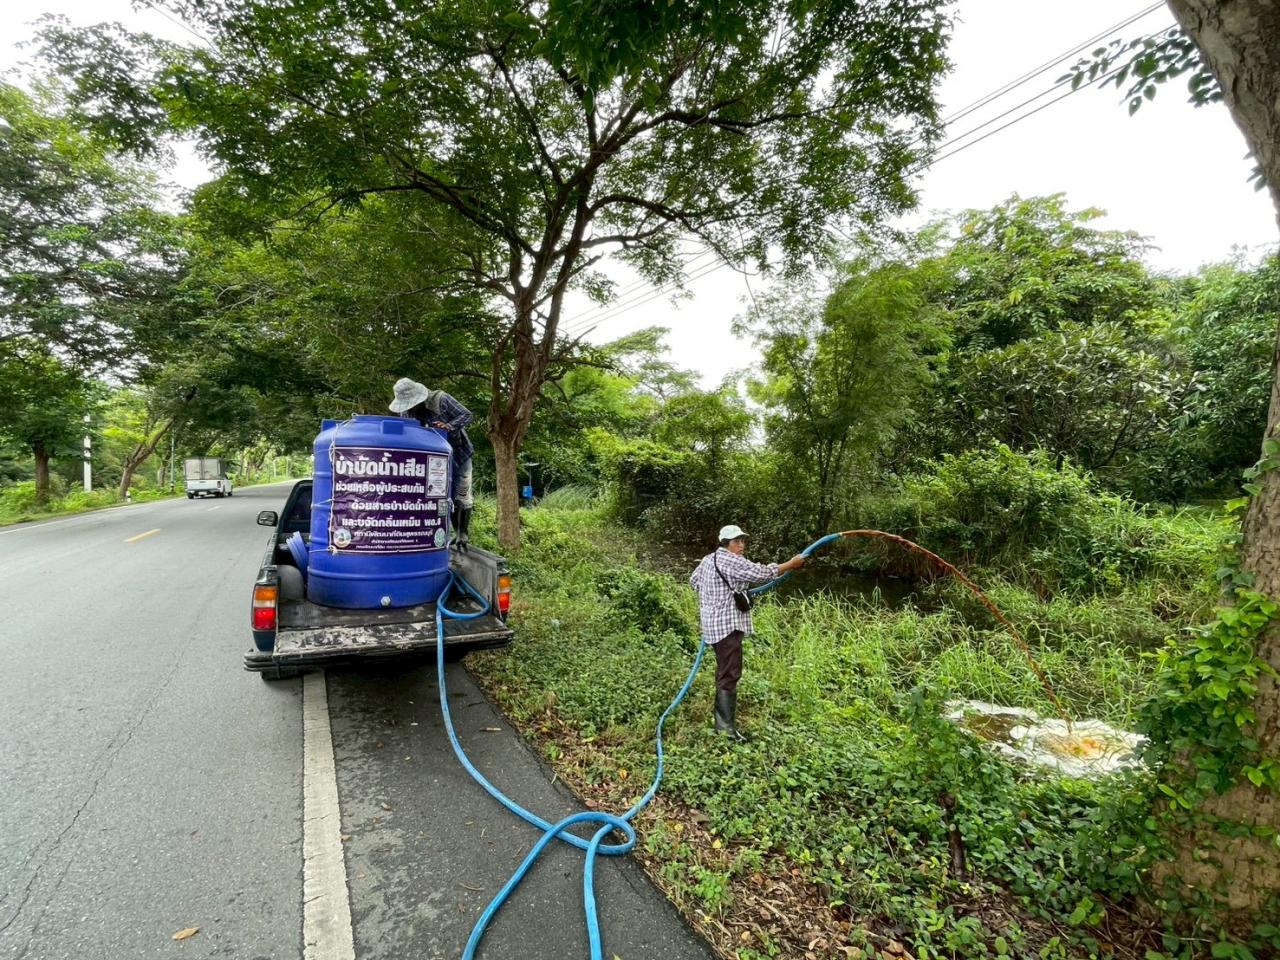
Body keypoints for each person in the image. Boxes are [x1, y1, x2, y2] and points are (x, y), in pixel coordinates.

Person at [689, 525, 805, 742]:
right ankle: (724, 730)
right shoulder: (731, 560)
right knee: (730, 672)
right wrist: (791, 564)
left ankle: (724, 724)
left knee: (726, 668)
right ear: (726, 543)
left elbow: (693, 581)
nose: (741, 545)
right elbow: (761, 574)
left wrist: (719, 592)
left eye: (742, 541)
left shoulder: (708, 559)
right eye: (736, 541)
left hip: (712, 625)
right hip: (726, 626)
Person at [389, 377, 475, 547]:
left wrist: (448, 426)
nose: (410, 407)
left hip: (459, 454)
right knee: (445, 496)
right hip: (434, 462)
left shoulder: (440, 399)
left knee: (462, 494)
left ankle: (462, 534)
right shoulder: (407, 412)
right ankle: (450, 533)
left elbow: (467, 415)